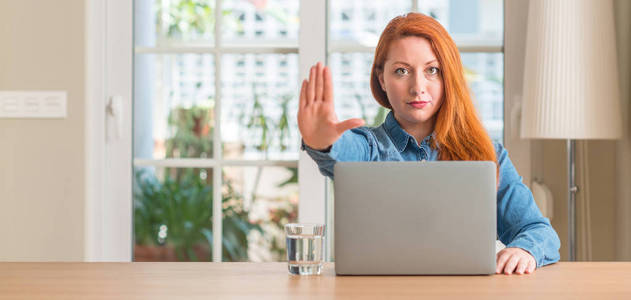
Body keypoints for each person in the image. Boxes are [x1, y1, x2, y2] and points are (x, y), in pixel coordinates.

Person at [297, 13, 560, 275]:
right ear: (381, 80)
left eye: (432, 70)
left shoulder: (487, 155)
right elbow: (342, 150)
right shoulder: (369, 147)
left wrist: (525, 251)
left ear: (448, 77)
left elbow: (538, 231)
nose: (417, 87)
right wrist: (322, 142)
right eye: (402, 71)